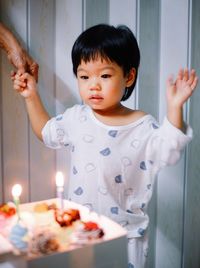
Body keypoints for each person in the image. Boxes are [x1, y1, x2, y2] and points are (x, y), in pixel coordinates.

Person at [13, 24, 198, 268]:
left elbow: (169, 150)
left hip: (126, 236)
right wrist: (31, 96)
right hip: (80, 231)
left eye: (105, 75)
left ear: (129, 76)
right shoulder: (76, 118)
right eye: (84, 76)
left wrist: (175, 108)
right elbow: (46, 132)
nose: (94, 85)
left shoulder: (143, 125)